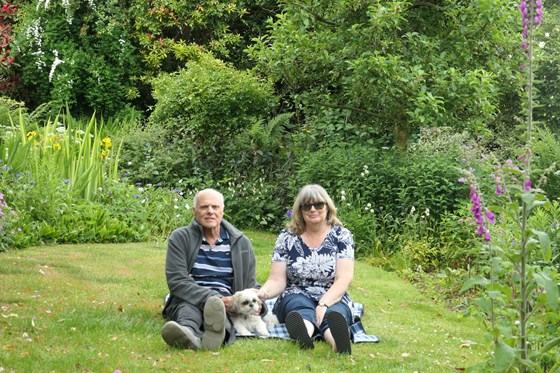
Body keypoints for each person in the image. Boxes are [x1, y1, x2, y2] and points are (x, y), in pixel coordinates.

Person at [161, 188, 265, 350]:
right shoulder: (180, 237)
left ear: (222, 211)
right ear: (195, 211)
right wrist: (214, 298)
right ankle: (186, 332)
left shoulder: (241, 242)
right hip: (190, 297)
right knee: (189, 311)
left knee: (222, 315)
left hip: (227, 303)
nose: (210, 211)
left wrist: (259, 305)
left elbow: (251, 284)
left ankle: (211, 336)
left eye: (215, 207)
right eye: (204, 207)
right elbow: (177, 281)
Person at [256, 184, 355, 354]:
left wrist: (323, 303)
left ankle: (338, 342)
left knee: (334, 313)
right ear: (300, 210)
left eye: (318, 204)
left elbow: (343, 278)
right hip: (296, 291)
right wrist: (260, 295)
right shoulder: (287, 236)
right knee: (300, 308)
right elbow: (277, 279)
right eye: (306, 206)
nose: (313, 209)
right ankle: (304, 334)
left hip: (331, 292)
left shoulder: (342, 235)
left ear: (327, 207)